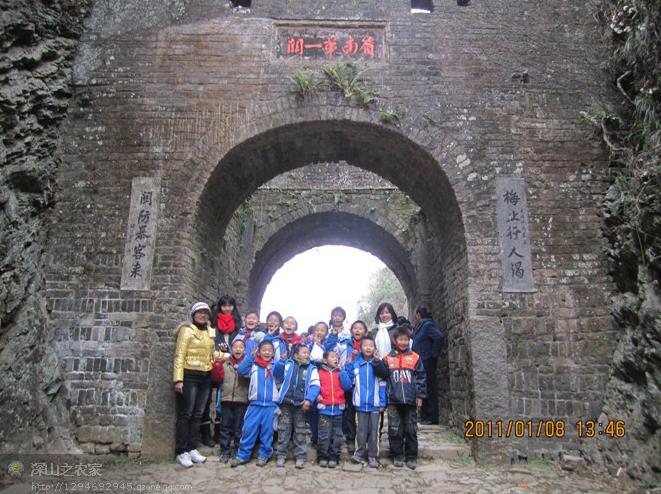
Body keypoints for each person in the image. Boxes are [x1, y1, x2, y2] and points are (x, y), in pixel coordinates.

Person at [173, 302, 216, 468]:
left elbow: (212, 354)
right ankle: (181, 450)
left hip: (206, 376)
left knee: (198, 413)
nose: (203, 315)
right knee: (186, 413)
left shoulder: (210, 332)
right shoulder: (186, 330)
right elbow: (179, 355)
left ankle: (192, 447)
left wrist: (232, 356)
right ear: (193, 314)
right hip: (190, 374)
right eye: (199, 312)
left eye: (205, 313)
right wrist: (178, 379)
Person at [201, 294, 242, 447]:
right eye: (224, 305)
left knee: (224, 400)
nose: (227, 308)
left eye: (230, 305)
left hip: (230, 366)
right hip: (213, 364)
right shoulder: (212, 324)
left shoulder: (237, 325)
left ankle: (223, 433)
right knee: (207, 400)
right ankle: (207, 434)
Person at [230, 340, 280, 467]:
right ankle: (242, 455)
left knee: (267, 432)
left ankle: (264, 455)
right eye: (264, 350)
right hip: (254, 405)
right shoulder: (253, 366)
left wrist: (282, 361)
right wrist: (250, 357)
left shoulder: (275, 366)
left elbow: (282, 375)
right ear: (258, 352)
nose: (267, 352)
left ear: (273, 353)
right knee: (249, 430)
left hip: (270, 406)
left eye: (270, 350)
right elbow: (241, 370)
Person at [342, 335, 388, 468]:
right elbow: (347, 385)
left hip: (375, 405)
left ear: (375, 348)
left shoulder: (378, 365)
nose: (368, 347)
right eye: (365, 345)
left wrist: (382, 403)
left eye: (371, 345)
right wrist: (345, 369)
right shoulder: (355, 365)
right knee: (361, 430)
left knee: (374, 431)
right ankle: (360, 452)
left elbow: (383, 385)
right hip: (360, 405)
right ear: (360, 348)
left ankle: (373, 455)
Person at [384, 327, 427, 470]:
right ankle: (397, 455)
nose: (403, 342)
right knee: (395, 428)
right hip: (393, 400)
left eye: (406, 340)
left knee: (410, 429)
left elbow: (421, 377)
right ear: (395, 341)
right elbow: (380, 373)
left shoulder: (415, 357)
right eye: (400, 339)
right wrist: (377, 361)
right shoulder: (388, 358)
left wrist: (420, 396)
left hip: (411, 400)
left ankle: (411, 456)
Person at [273, 343, 320, 469]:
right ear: (296, 354)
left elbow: (315, 386)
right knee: (283, 429)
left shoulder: (311, 369)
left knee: (300, 430)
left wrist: (309, 400)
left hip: (301, 404)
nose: (307, 355)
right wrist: (281, 362)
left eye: (308, 353)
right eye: (304, 352)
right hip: (286, 403)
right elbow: (277, 374)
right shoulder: (288, 364)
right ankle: (281, 455)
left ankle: (300, 456)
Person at [316, 350, 352, 468]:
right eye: (332, 357)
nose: (335, 359)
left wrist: (342, 371)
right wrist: (317, 396)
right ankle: (322, 456)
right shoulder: (319, 373)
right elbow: (315, 387)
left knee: (337, 434)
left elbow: (347, 386)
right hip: (324, 409)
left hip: (338, 409)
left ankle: (334, 456)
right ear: (325, 360)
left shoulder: (340, 372)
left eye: (336, 357)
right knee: (324, 434)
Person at [218, 339, 249, 463]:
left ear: (245, 350)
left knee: (238, 426)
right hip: (226, 399)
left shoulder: (247, 364)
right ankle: (224, 451)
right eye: (235, 347)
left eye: (241, 347)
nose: (238, 349)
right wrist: (217, 365)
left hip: (241, 399)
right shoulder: (225, 363)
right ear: (231, 349)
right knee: (225, 426)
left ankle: (237, 450)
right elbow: (217, 378)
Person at [411, 306, 444, 425]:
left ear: (419, 315)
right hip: (420, 362)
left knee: (429, 387)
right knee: (422, 387)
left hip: (427, 361)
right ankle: (424, 415)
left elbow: (439, 337)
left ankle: (432, 417)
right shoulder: (420, 327)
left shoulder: (428, 325)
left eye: (416, 315)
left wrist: (433, 355)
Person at [308, 321, 339, 445]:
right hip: (313, 378)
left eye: (322, 330)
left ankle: (328, 438)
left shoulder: (327, 345)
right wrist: (314, 344)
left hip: (327, 378)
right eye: (317, 329)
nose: (319, 332)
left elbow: (330, 348)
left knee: (325, 412)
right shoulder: (309, 345)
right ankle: (315, 437)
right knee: (314, 412)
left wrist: (333, 336)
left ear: (326, 332)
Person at [342, 320, 368, 455]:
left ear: (365, 331)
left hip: (363, 382)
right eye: (355, 328)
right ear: (351, 331)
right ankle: (351, 439)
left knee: (363, 412)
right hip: (349, 382)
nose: (358, 330)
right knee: (350, 412)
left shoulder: (368, 346)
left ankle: (364, 439)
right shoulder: (345, 344)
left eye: (361, 328)